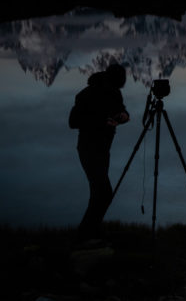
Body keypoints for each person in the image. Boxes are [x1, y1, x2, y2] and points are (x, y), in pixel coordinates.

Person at [69, 62, 130, 242]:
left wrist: (123, 117)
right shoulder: (87, 94)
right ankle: (85, 234)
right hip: (89, 149)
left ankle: (91, 232)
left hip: (103, 149)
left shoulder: (114, 93)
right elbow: (73, 122)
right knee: (104, 193)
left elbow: (121, 110)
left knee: (99, 193)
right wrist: (102, 122)